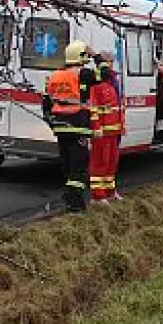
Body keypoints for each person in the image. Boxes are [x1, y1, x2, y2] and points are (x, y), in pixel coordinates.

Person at [42, 40, 97, 212]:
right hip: (78, 126)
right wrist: (96, 55)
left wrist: (51, 122)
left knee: (67, 164)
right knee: (79, 166)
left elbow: (46, 103)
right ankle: (74, 201)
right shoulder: (83, 74)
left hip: (60, 127)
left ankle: (71, 198)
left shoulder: (54, 76)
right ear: (81, 56)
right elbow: (106, 74)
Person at [88, 52, 124, 203]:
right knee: (100, 162)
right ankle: (98, 195)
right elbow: (94, 109)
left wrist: (121, 126)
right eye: (108, 62)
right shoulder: (96, 87)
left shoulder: (112, 83)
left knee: (111, 162)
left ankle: (109, 191)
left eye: (111, 62)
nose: (110, 65)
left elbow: (118, 108)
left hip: (113, 130)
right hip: (102, 131)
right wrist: (96, 127)